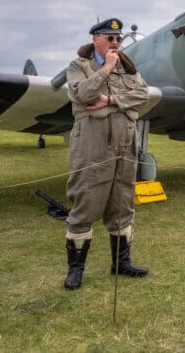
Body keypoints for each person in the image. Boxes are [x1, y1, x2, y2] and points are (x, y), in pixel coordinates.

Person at [63, 17, 150, 290]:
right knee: (85, 202)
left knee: (123, 203)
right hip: (91, 145)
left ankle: (121, 263)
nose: (115, 43)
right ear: (95, 40)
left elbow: (143, 93)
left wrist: (112, 101)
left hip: (125, 143)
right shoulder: (79, 66)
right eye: (109, 38)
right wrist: (107, 68)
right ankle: (76, 270)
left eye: (119, 39)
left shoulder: (129, 68)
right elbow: (84, 95)